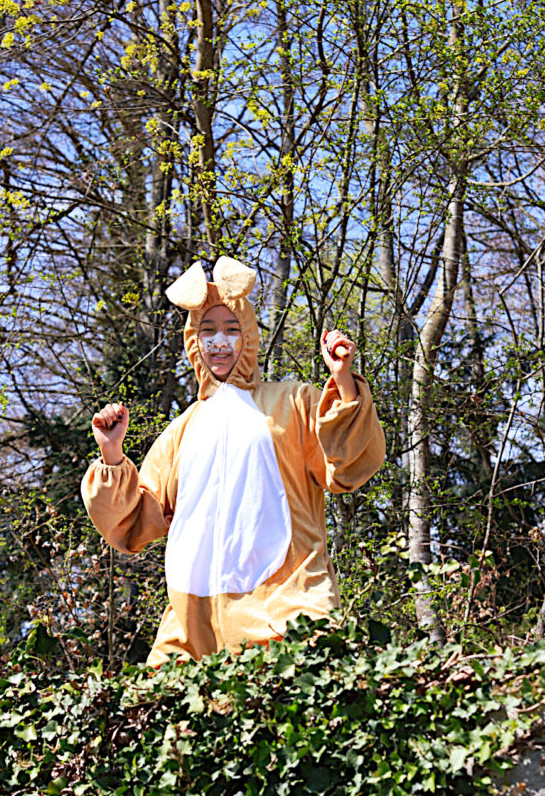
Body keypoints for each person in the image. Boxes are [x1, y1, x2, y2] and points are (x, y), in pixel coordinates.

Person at [81, 256, 385, 664]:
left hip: (287, 605)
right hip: (193, 626)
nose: (219, 341)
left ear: (249, 336)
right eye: (207, 330)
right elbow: (135, 519)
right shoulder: (181, 430)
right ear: (193, 341)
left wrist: (342, 378)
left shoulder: (293, 403)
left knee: (312, 683)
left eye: (231, 329)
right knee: (165, 700)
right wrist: (112, 453)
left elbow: (347, 460)